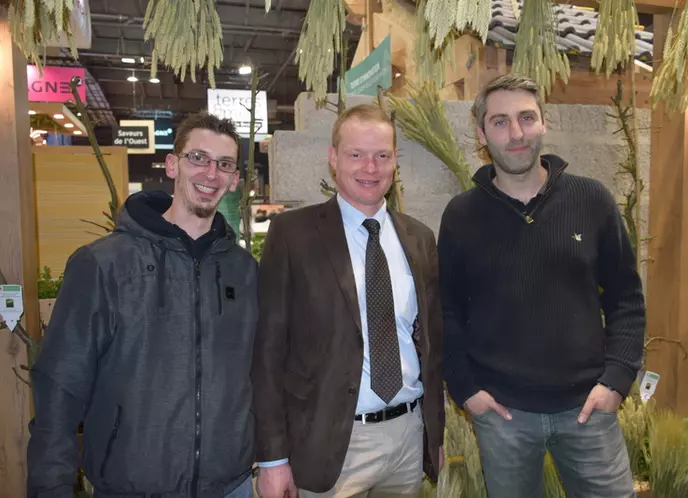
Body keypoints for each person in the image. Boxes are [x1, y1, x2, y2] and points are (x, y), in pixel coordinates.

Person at [27, 112, 258, 498]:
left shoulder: (244, 271)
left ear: (234, 180)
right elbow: (60, 387)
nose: (210, 174)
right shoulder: (104, 263)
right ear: (172, 164)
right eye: (197, 158)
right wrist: (51, 487)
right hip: (132, 485)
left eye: (224, 164)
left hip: (229, 485)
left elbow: (258, 375)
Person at [438, 74, 646, 498]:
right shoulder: (461, 216)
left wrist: (616, 379)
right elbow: (446, 311)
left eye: (526, 117)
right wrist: (466, 390)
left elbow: (626, 297)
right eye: (499, 121)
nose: (516, 133)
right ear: (481, 133)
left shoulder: (592, 200)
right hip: (503, 416)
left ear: (543, 123)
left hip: (590, 408)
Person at [252, 104, 444, 498]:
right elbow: (268, 352)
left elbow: (431, 343)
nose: (370, 168)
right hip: (329, 442)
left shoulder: (420, 238)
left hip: (407, 438)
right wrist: (272, 458)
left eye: (382, 155)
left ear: (394, 162)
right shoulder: (292, 234)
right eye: (356, 154)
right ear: (333, 158)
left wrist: (434, 434)